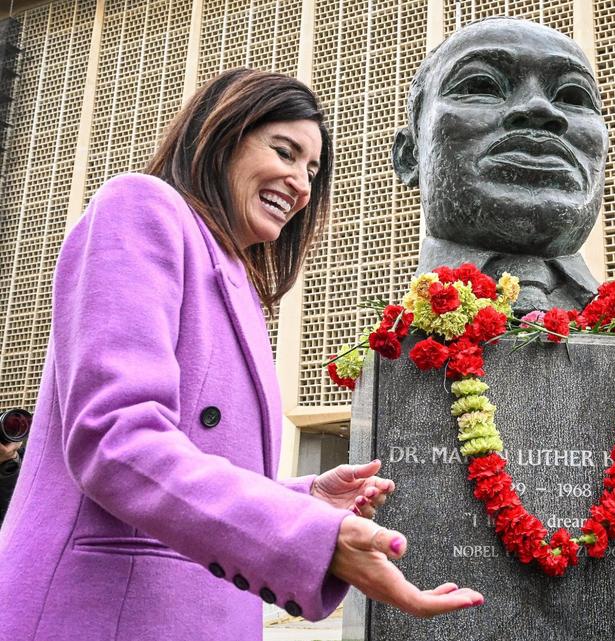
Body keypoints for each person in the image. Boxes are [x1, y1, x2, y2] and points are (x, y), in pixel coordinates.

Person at [0, 69, 482, 641]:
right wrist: (309, 536)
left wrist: (304, 498)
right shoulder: (141, 207)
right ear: (221, 134)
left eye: (312, 170)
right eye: (284, 151)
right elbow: (116, 439)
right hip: (102, 611)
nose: (301, 184)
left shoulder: (238, 282)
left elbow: (195, 467)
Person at [392, 17, 607, 312]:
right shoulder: (389, 344)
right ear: (409, 156)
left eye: (572, 95)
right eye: (483, 85)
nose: (539, 108)